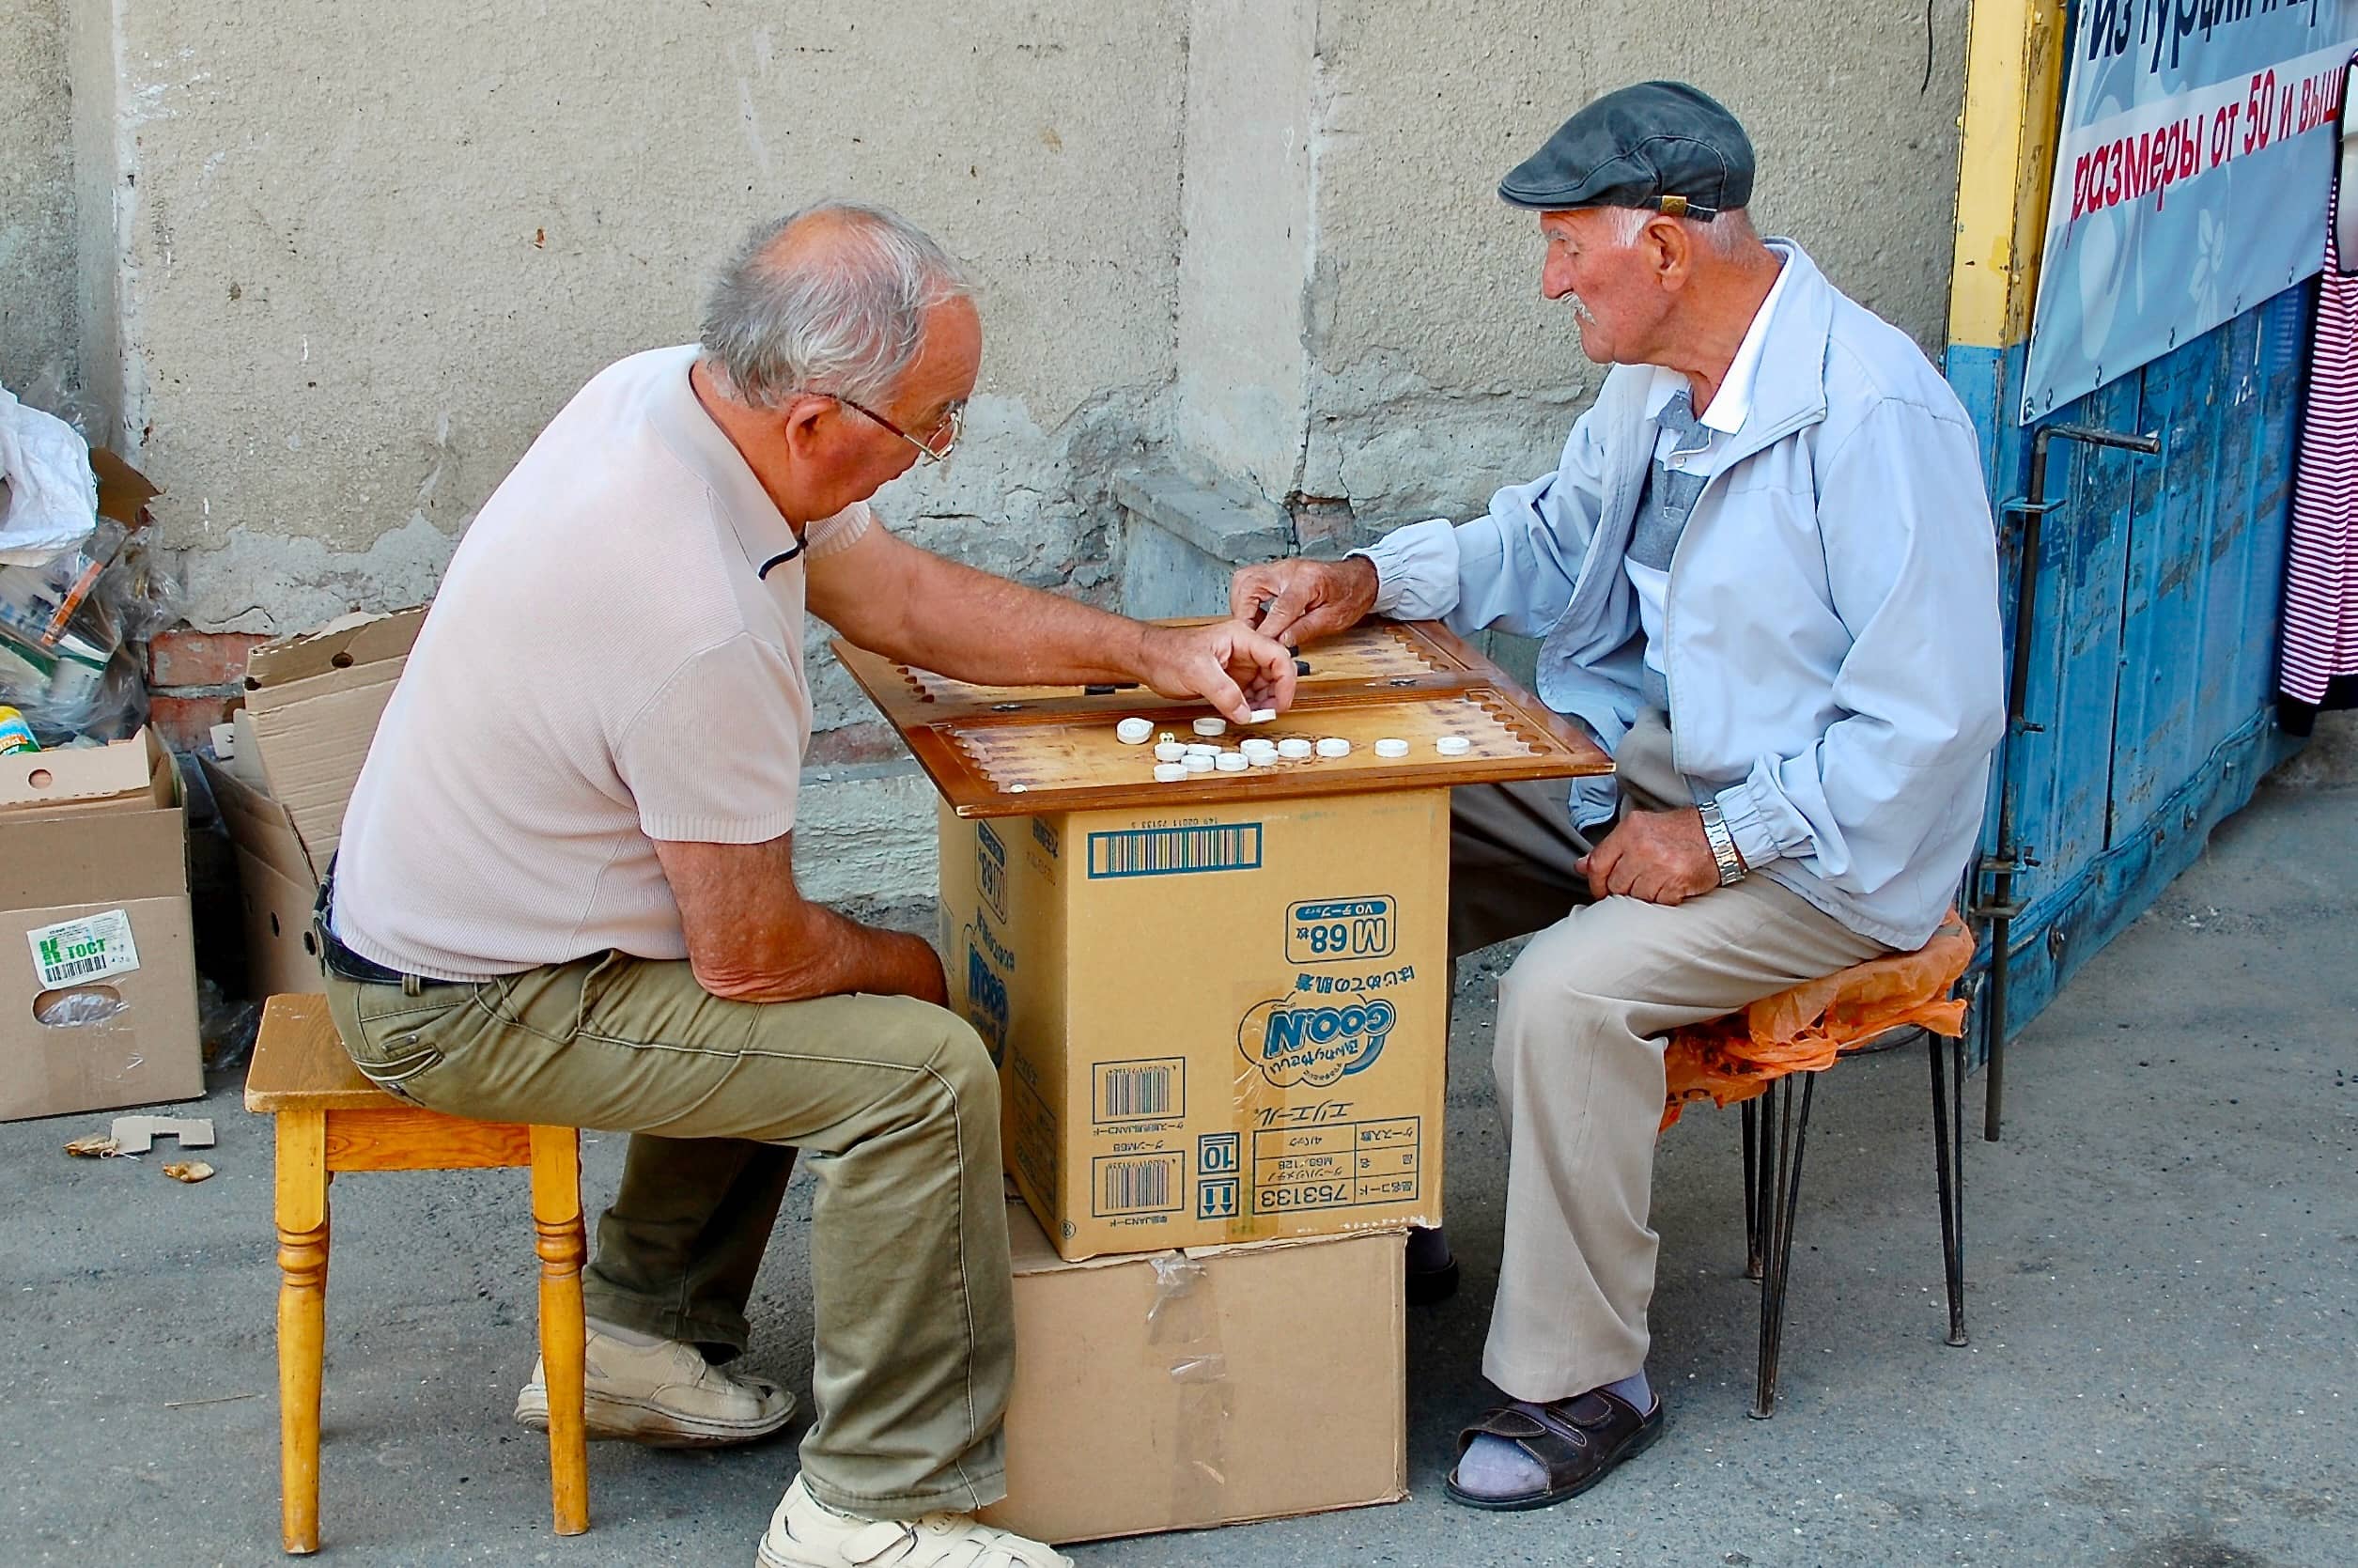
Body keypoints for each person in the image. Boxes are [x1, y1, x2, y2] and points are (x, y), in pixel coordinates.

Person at [319, 199, 1295, 1568]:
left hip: (463, 930)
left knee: (831, 990)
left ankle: (633, 1334)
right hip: (456, 1002)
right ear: (818, 421)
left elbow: (895, 598)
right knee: (909, 1066)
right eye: (932, 419)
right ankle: (873, 1503)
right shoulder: (691, 614)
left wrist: (1151, 648)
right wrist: (927, 976)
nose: (940, 447)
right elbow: (756, 961)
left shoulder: (672, 396)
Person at [1228, 81, 2004, 1512]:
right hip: (1641, 775)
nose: (1548, 278)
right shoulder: (1653, 376)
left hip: (1823, 845)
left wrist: (1714, 840)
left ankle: (1582, 1382)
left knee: (1569, 997)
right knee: (1340, 839)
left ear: (1662, 245)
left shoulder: (1872, 411)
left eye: (1566, 244)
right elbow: (1551, 533)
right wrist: (1363, 580)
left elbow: (1929, 724)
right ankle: (1364, 1200)